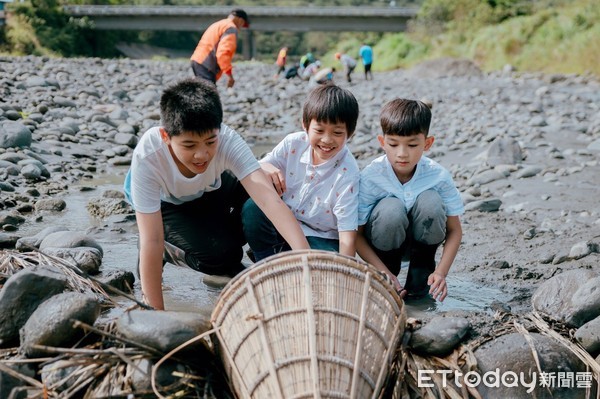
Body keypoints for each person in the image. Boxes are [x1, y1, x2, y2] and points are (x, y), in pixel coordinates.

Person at [124, 78, 310, 310]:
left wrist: (307, 261)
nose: (202, 155)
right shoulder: (149, 157)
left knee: (269, 186)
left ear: (219, 131)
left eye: (210, 142)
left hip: (209, 189)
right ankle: (171, 252)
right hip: (167, 204)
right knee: (220, 255)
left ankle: (267, 261)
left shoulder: (227, 140)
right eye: (189, 146)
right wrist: (156, 314)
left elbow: (268, 201)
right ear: (166, 137)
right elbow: (152, 239)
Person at [356, 99, 464, 302]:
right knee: (390, 208)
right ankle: (390, 279)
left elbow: (455, 230)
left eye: (412, 145)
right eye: (393, 144)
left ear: (427, 143)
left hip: (421, 242)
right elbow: (357, 236)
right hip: (384, 246)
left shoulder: (438, 176)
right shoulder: (371, 177)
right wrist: (381, 271)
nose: (402, 153)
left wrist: (441, 272)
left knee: (431, 201)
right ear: (382, 142)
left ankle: (420, 280)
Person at [242, 84, 360, 261]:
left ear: (349, 133)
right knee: (253, 207)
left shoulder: (348, 172)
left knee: (325, 262)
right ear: (305, 125)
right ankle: (265, 262)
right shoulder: (293, 143)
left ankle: (287, 258)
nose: (327, 140)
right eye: (319, 131)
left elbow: (347, 235)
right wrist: (266, 167)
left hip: (321, 237)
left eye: (337, 133)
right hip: (285, 226)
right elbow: (257, 167)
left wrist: (346, 268)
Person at [190, 9, 250, 88]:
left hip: (197, 60)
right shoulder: (231, 28)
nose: (240, 28)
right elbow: (223, 53)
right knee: (209, 95)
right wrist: (230, 75)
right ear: (241, 21)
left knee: (201, 92)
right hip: (207, 65)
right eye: (242, 25)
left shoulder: (219, 24)